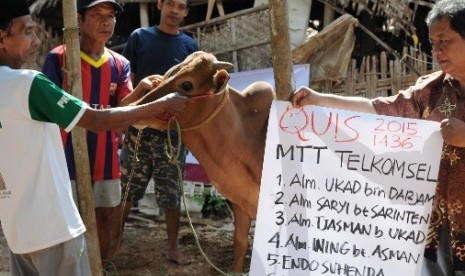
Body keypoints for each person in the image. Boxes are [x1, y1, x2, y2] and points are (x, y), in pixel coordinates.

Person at [0, 0, 187, 275]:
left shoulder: (117, 63)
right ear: (2, 37)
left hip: (17, 231)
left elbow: (118, 106)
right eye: (27, 31)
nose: (36, 39)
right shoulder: (30, 83)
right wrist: (161, 105)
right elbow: (96, 121)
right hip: (54, 228)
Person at [292, 0, 465, 275]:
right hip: (436, 224)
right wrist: (320, 100)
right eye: (433, 42)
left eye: (445, 40)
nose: (437, 50)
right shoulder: (432, 91)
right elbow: (380, 108)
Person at [42, 0, 131, 260]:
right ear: (79, 21)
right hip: (65, 157)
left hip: (106, 159)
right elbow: (48, 109)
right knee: (66, 220)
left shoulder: (119, 64)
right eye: (96, 15)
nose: (106, 21)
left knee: (105, 216)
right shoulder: (59, 58)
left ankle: (100, 265)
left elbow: (126, 107)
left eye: (110, 16)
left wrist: (146, 89)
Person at [120, 0, 198, 265]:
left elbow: (196, 92)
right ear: (160, 5)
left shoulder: (190, 47)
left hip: (172, 134)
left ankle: (173, 248)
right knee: (126, 190)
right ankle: (113, 244)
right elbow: (125, 85)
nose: (175, 10)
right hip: (139, 130)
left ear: (186, 12)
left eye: (182, 6)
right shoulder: (139, 38)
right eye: (171, 4)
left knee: (171, 193)